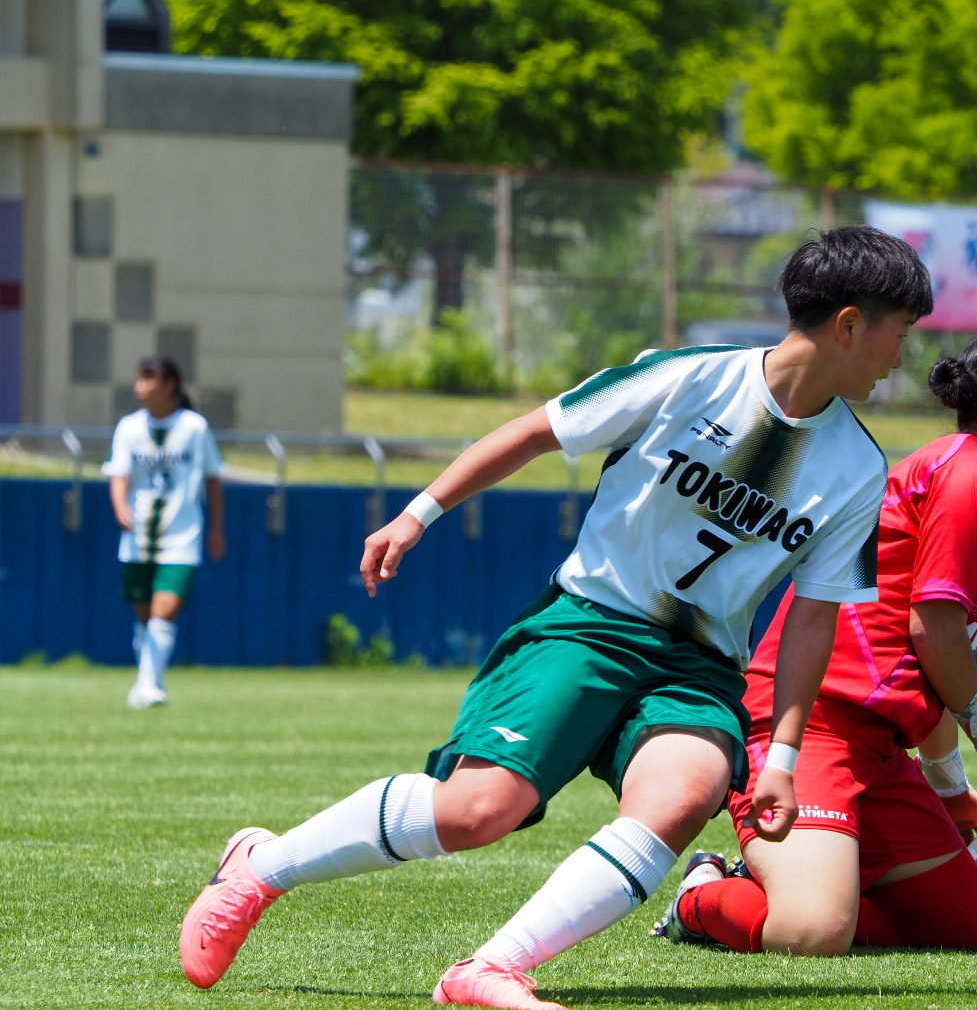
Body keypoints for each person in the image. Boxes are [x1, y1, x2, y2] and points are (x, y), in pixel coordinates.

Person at [177, 226, 934, 1009]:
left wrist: (782, 754)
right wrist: (417, 513)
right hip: (588, 624)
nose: (900, 358)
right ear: (849, 325)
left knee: (685, 794)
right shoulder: (687, 377)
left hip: (698, 668)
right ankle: (259, 868)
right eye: (901, 334)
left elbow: (812, 616)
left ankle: (490, 969)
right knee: (478, 810)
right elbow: (536, 432)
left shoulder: (858, 467)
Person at [654, 327, 977, 957]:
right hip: (812, 729)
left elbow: (924, 663)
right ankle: (705, 893)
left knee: (968, 931)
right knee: (812, 932)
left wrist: (949, 788)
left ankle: (815, 877)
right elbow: (934, 629)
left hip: (875, 749)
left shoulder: (963, 466)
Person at [102, 356, 224, 709]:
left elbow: (213, 479)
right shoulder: (129, 427)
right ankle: (148, 683)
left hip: (182, 536)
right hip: (138, 537)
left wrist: (217, 529)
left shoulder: (194, 427)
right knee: (145, 618)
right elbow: (118, 474)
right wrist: (120, 506)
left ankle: (148, 686)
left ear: (169, 384)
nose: (139, 386)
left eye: (147, 379)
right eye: (138, 379)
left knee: (165, 610)